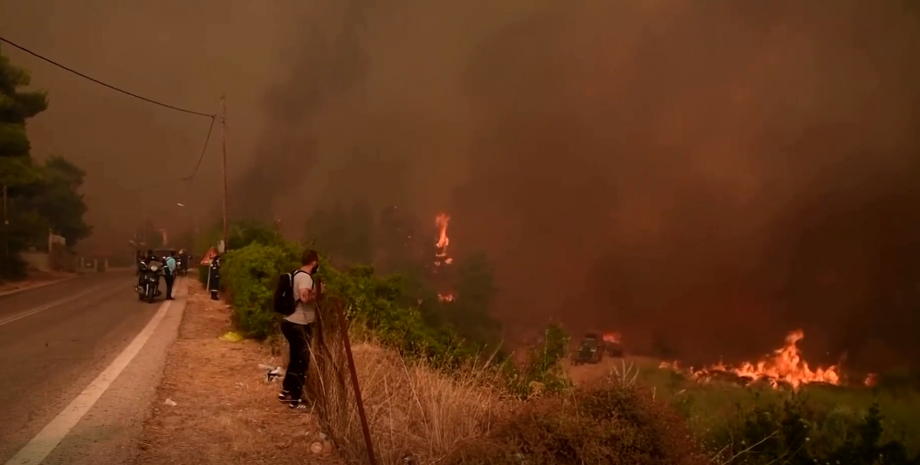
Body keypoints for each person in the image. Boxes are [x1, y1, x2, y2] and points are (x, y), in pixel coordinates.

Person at [278, 249, 319, 410]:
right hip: (299, 324)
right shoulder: (306, 278)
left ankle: (286, 390)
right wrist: (318, 294)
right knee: (302, 361)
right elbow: (304, 297)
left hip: (289, 322)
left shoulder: (296, 274)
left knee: (295, 358)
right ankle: (296, 398)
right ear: (314, 262)